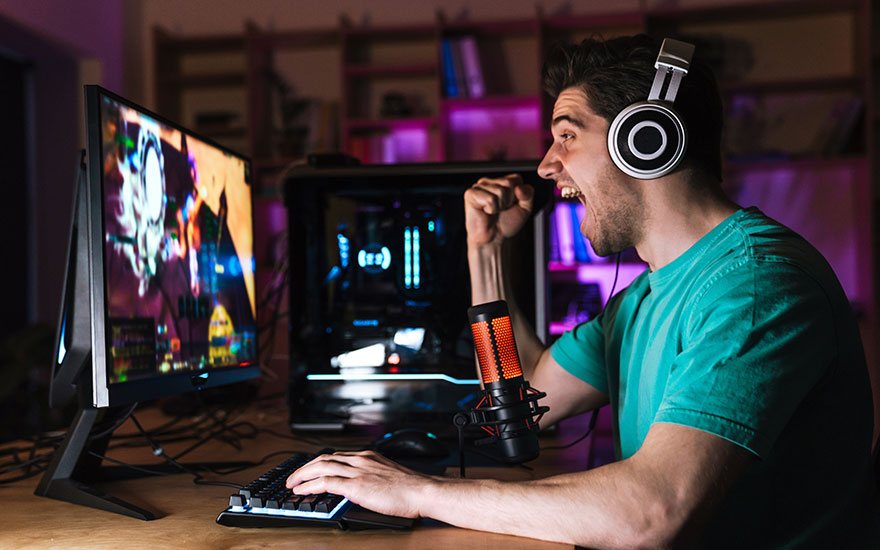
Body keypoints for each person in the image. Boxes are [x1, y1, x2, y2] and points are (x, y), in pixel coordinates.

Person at [286, 35, 879, 548]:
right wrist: (486, 253)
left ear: (647, 139)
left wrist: (418, 493)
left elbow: (653, 514)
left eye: (567, 136)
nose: (546, 166)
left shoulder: (754, 288)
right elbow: (512, 413)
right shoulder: (644, 300)